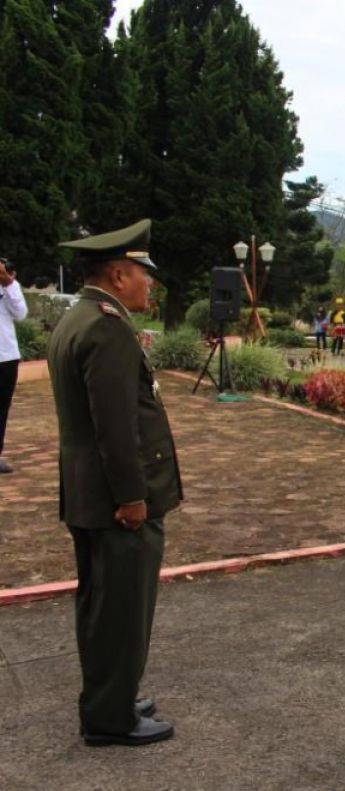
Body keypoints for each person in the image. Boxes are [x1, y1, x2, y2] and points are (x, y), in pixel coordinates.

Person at [48, 219, 181, 746]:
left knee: (102, 603)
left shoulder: (78, 317)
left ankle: (113, 694)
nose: (150, 284)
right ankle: (110, 719)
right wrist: (132, 496)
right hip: (115, 498)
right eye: (144, 275)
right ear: (119, 274)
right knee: (121, 607)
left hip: (86, 491)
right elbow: (116, 426)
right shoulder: (106, 327)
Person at [0, 256, 29, 474]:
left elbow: (20, 314)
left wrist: (8, 283)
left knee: (1, 409)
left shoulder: (9, 285)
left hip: (5, 356)